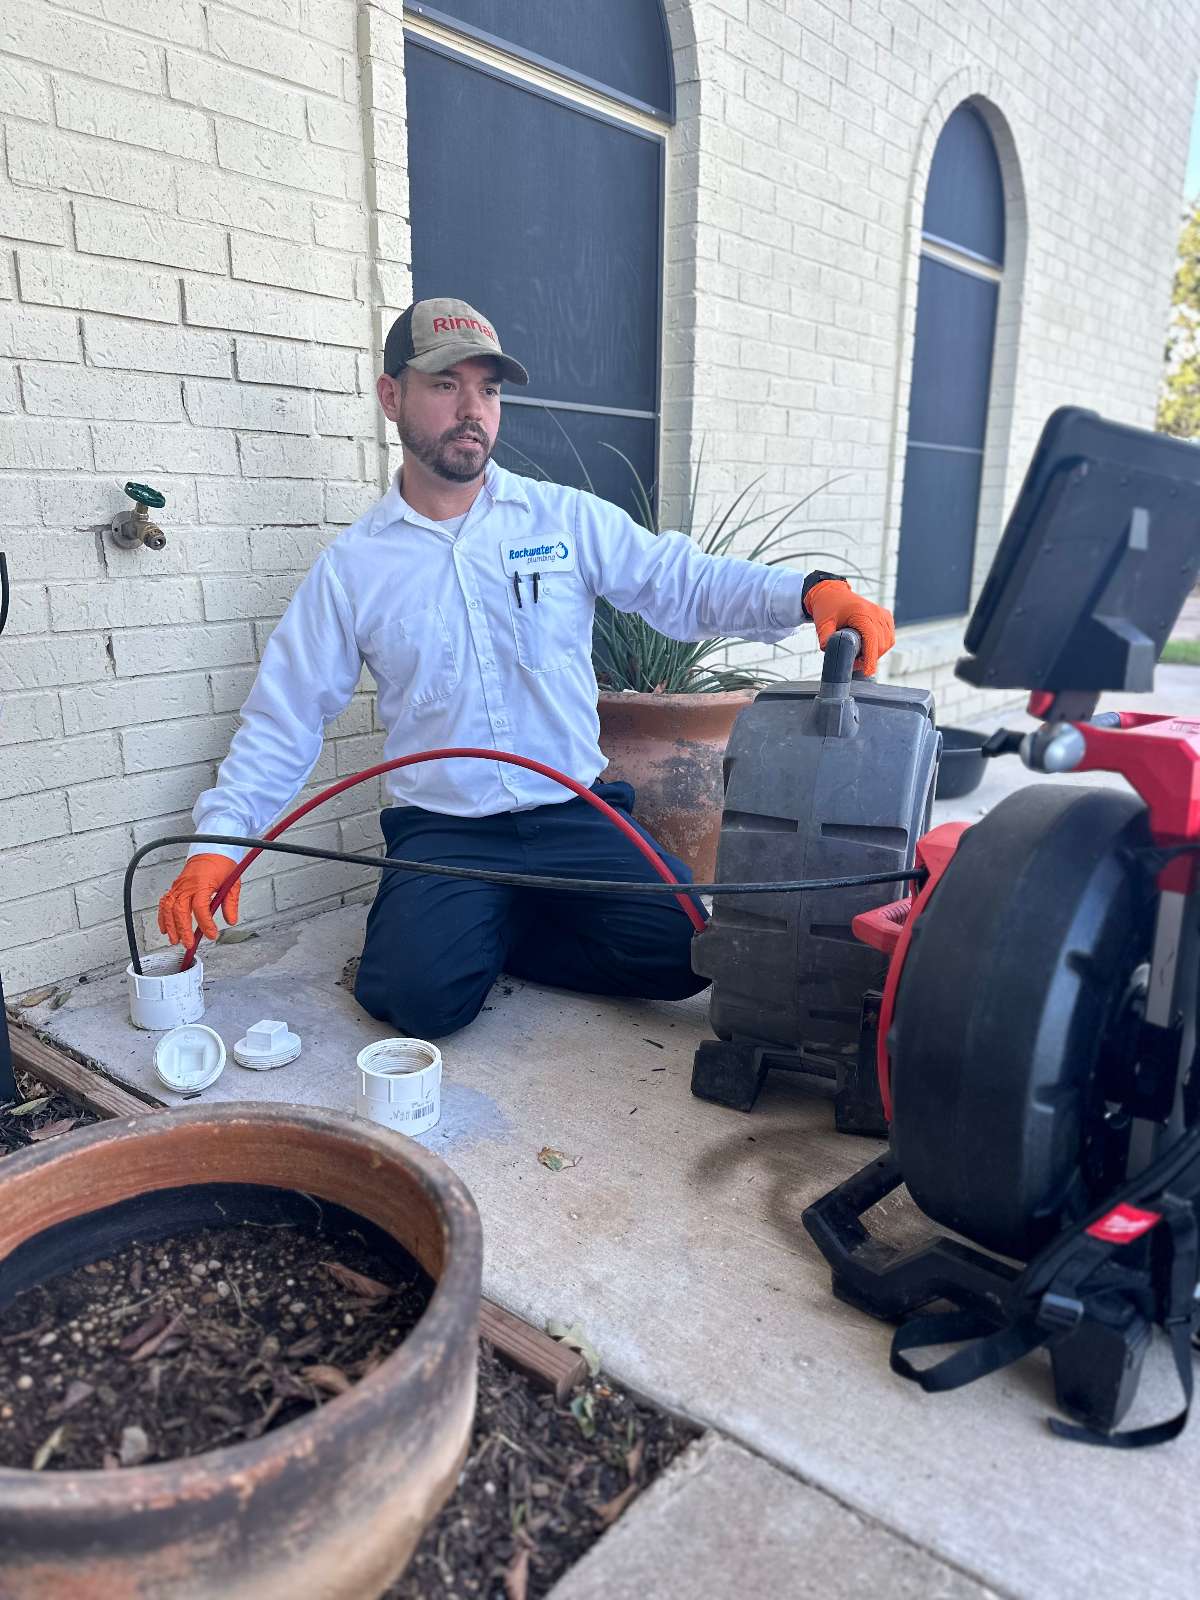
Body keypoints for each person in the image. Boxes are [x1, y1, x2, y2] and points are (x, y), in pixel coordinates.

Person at [157, 298, 896, 1038]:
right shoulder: (353, 569)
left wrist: (808, 592)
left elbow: (683, 582)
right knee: (415, 1002)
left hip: (576, 807)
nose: (472, 409)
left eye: (489, 389)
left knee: (686, 957)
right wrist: (216, 850)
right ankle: (477, 922)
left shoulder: (563, 520)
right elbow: (284, 720)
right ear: (391, 396)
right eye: (446, 385)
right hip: (446, 832)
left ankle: (498, 925)